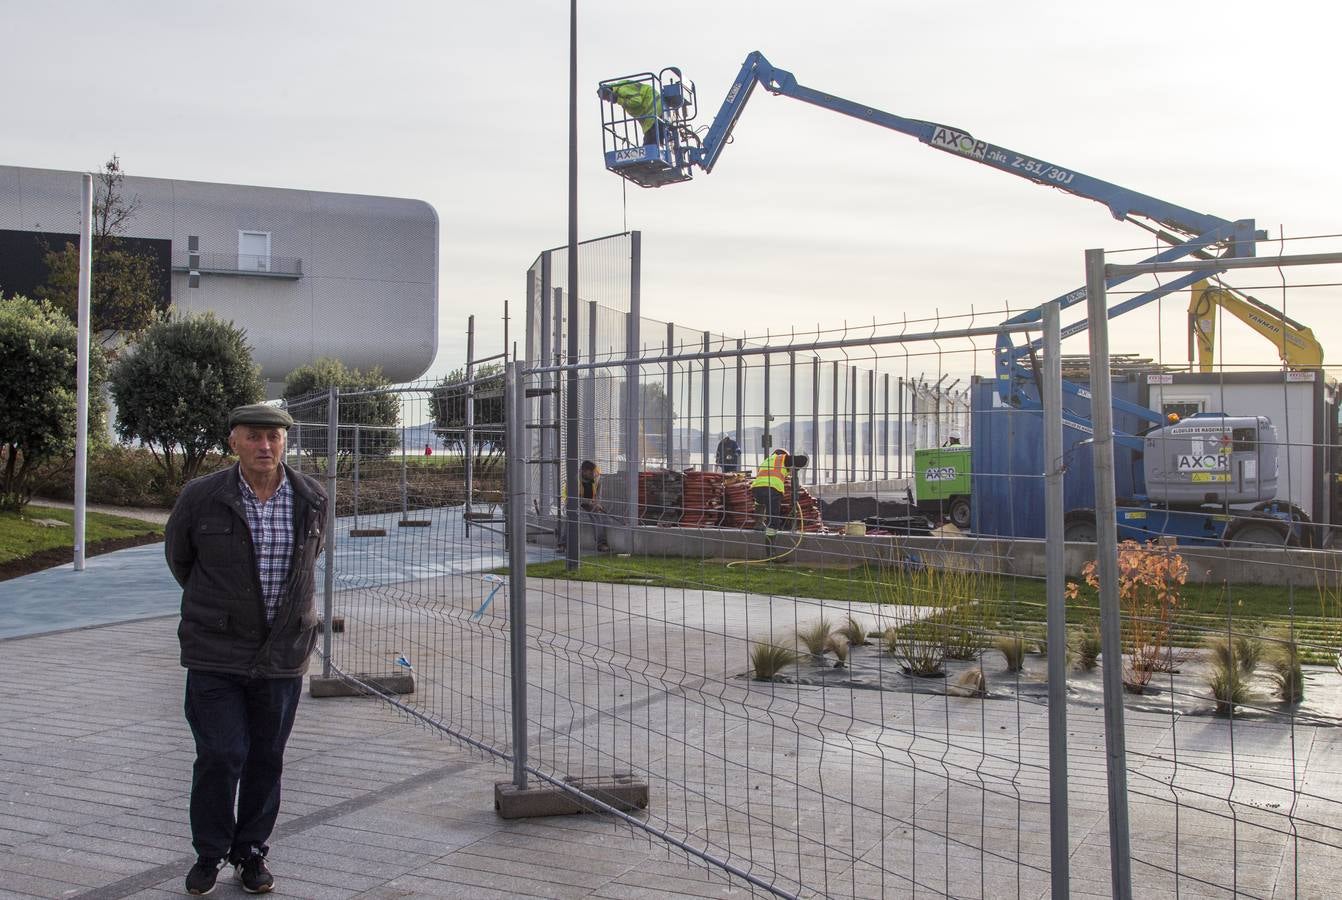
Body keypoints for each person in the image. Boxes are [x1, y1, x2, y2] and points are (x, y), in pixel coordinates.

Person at [165, 403, 328, 895]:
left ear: (285, 443)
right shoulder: (201, 497)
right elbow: (181, 559)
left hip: (282, 654)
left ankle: (252, 851)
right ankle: (210, 852)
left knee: (266, 757)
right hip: (216, 652)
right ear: (233, 440)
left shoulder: (311, 498)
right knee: (220, 753)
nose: (265, 447)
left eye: (274, 438)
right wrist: (221, 609)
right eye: (255, 437)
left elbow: (310, 560)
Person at [599, 81, 662, 146]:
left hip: (653, 109)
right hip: (650, 115)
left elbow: (637, 101)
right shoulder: (620, 90)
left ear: (610, 92)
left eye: (607, 98)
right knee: (649, 144)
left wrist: (618, 99)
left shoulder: (622, 89)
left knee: (650, 145)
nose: (609, 101)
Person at [751, 448, 793, 534]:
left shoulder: (767, 460)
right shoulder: (782, 458)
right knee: (773, 513)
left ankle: (759, 523)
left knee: (760, 503)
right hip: (772, 489)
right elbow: (788, 471)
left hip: (756, 488)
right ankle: (771, 536)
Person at [577, 460, 613, 551]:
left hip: (590, 503)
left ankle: (601, 544)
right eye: (590, 473)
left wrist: (597, 503)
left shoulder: (596, 476)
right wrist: (589, 502)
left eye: (594, 473)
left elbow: (598, 494)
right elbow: (573, 497)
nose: (593, 476)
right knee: (571, 516)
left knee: (597, 516)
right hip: (575, 502)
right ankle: (563, 544)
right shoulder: (574, 479)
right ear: (583, 471)